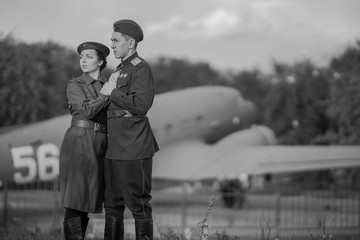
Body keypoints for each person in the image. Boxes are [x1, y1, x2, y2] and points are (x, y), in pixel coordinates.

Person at [100, 19, 159, 240]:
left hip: (134, 146)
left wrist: (112, 93)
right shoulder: (121, 69)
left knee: (138, 204)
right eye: (112, 41)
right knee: (113, 205)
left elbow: (142, 105)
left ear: (131, 42)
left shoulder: (140, 67)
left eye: (116, 40)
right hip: (114, 147)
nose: (112, 45)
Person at [59, 41, 110, 240]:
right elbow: (87, 110)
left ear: (101, 61)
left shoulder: (108, 86)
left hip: (100, 143)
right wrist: (108, 94)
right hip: (79, 140)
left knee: (88, 200)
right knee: (75, 200)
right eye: (81, 57)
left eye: (89, 57)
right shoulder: (75, 84)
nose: (83, 61)